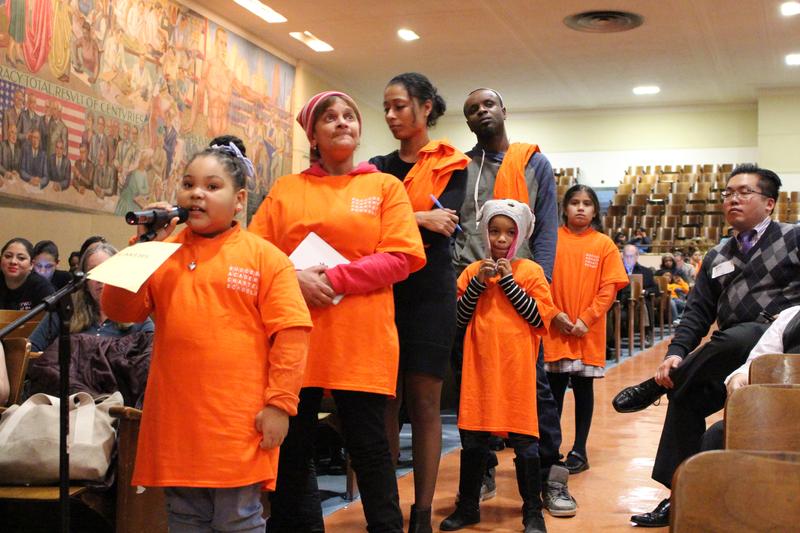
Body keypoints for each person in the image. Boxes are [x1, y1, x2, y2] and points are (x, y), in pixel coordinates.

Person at [101, 140, 312, 531]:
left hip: (239, 420)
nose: (196, 193)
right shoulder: (161, 252)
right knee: (184, 518)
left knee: (237, 518)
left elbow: (292, 334)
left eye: (212, 186)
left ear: (239, 199)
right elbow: (119, 310)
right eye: (188, 184)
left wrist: (280, 404)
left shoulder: (266, 258)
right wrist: (144, 245)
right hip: (176, 419)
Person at [249, 91, 426, 533]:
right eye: (330, 118)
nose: (342, 122)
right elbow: (254, 255)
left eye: (350, 115)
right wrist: (292, 280)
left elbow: (402, 256)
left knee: (370, 449)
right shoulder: (287, 189)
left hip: (361, 341)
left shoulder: (385, 185)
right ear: (313, 134)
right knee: (293, 452)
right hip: (295, 339)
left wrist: (330, 280)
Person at [613, 164, 800, 527]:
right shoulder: (718, 254)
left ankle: (658, 387)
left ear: (770, 203)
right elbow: (697, 312)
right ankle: (680, 492)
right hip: (728, 355)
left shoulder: (794, 238)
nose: (733, 199)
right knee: (688, 396)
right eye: (728, 193)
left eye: (744, 192)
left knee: (739, 334)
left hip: (781, 346)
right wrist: (674, 354)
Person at [452, 87, 576, 517]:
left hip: (520, 290)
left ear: (504, 110)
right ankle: (482, 470)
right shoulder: (459, 168)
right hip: (471, 289)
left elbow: (546, 228)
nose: (481, 111)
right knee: (474, 387)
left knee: (536, 391)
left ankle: (549, 474)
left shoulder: (532, 161)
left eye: (488, 104)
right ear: (466, 121)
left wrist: (536, 279)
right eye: (472, 109)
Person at [369, 72, 468, 533]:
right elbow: (367, 226)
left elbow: (445, 222)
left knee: (426, 403)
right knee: (385, 401)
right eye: (386, 108)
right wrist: (418, 216)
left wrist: (407, 218)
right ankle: (386, 512)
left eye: (400, 106)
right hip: (382, 290)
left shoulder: (453, 163)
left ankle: (422, 514)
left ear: (427, 107)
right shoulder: (375, 166)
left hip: (430, 290)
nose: (391, 116)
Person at [442, 199, 554, 533]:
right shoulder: (472, 272)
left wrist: (507, 282)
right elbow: (458, 321)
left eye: (509, 232)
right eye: (494, 231)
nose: (501, 239)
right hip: (479, 371)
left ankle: (532, 511)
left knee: (525, 441)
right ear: (486, 233)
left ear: (519, 236)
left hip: (517, 373)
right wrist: (478, 284)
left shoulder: (531, 272)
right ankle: (468, 506)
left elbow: (538, 318)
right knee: (473, 439)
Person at [544, 185, 628, 474]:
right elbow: (538, 283)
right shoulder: (550, 240)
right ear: (564, 207)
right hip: (554, 329)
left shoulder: (604, 244)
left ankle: (579, 450)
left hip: (586, 333)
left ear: (595, 210)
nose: (580, 208)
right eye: (575, 202)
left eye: (587, 203)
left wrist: (586, 319)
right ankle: (550, 450)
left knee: (583, 390)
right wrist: (554, 314)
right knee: (552, 393)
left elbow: (609, 289)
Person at [699, 304, 800, 451]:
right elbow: (756, 363)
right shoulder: (790, 316)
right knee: (717, 435)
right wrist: (739, 378)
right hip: (784, 418)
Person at [29, 242, 153, 352]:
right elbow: (31, 350)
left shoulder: (137, 316)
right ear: (84, 281)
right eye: (94, 271)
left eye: (108, 269)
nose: (101, 278)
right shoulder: (65, 309)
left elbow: (153, 358)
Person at [0, 238, 55, 311]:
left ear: (32, 264)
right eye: (8, 256)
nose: (13, 262)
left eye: (21, 258)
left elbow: (51, 319)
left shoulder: (42, 288)